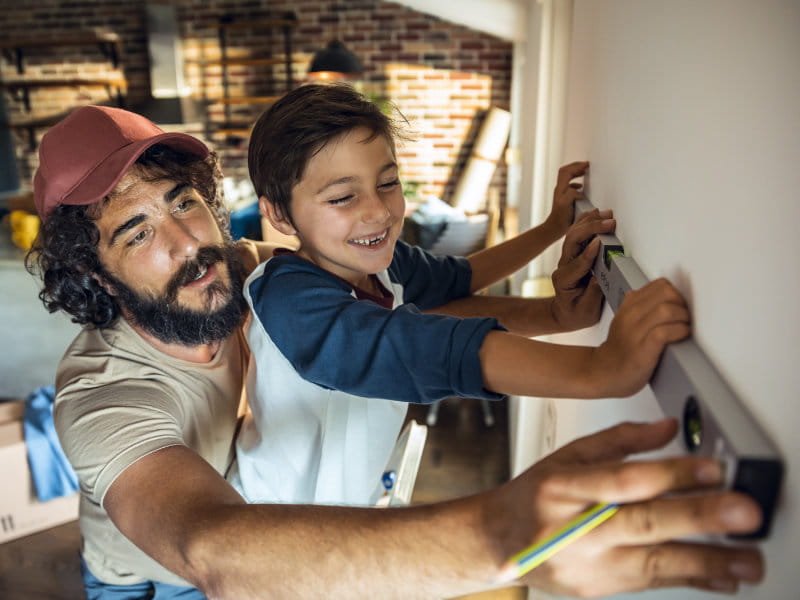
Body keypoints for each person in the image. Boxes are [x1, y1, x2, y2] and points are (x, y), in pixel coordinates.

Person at [25, 104, 764, 599]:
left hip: (270, 525)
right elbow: (208, 545)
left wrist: (558, 312)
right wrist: (495, 534)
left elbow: (416, 304)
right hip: (159, 574)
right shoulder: (102, 393)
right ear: (92, 272)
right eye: (137, 231)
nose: (188, 243)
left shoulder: (244, 269)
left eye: (184, 203)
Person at [235, 83, 690, 508]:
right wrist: (599, 369)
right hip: (266, 525)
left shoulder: (383, 264)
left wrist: (555, 285)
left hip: (345, 509)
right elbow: (413, 345)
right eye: (341, 198)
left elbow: (461, 281)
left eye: (387, 183)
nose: (378, 211)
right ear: (279, 215)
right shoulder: (285, 296)